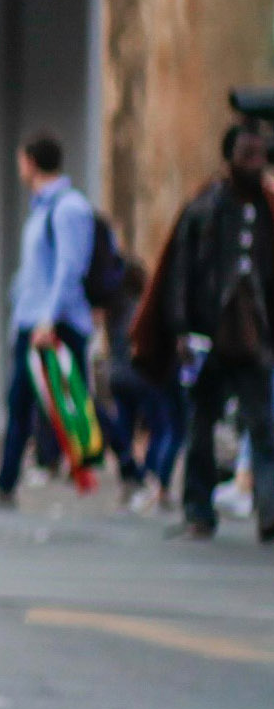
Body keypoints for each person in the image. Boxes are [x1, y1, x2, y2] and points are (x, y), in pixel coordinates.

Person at [135, 124, 273, 542]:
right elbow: (179, 273)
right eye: (247, 155)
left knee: (264, 426)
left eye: (261, 155)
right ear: (228, 158)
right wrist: (180, 329)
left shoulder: (268, 209)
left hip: (255, 342)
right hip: (206, 337)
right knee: (201, 426)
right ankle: (198, 510)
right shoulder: (204, 209)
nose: (256, 163)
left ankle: (269, 514)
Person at [0, 132, 95, 511]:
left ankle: (134, 471)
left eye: (21, 160)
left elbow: (70, 268)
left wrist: (47, 318)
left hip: (54, 325)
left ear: (32, 163)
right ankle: (5, 483)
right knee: (21, 403)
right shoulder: (41, 208)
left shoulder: (68, 208)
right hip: (32, 323)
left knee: (76, 401)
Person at [98, 256, 182, 514]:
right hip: (141, 376)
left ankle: (131, 477)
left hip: (118, 376)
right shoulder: (139, 308)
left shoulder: (115, 309)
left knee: (125, 426)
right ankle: (151, 477)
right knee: (161, 426)